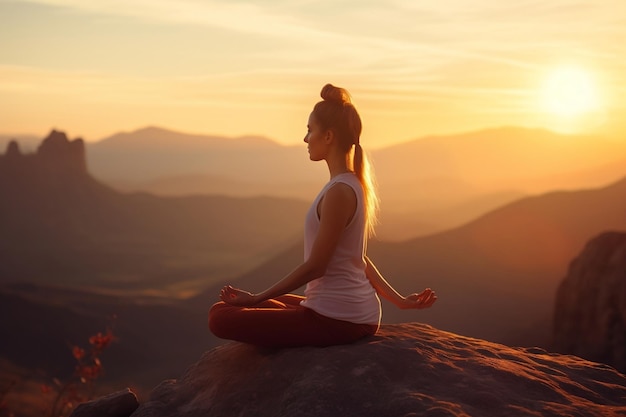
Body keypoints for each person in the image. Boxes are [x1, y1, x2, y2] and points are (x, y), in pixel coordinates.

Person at [208, 83, 436, 348]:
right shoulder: (352, 183)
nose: (306, 139)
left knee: (220, 316)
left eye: (309, 130)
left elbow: (317, 266)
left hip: (337, 320)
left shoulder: (340, 191)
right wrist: (400, 301)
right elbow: (357, 258)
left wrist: (256, 298)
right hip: (343, 312)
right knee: (240, 305)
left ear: (328, 136)